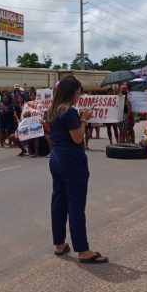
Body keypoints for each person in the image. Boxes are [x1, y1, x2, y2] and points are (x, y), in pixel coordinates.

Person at [48, 76, 108, 264]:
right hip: (72, 161)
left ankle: (59, 243)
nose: (80, 95)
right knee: (75, 206)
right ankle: (83, 250)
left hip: (56, 158)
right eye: (78, 92)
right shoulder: (70, 112)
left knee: (58, 201)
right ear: (72, 93)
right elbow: (77, 138)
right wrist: (84, 120)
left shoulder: (52, 110)